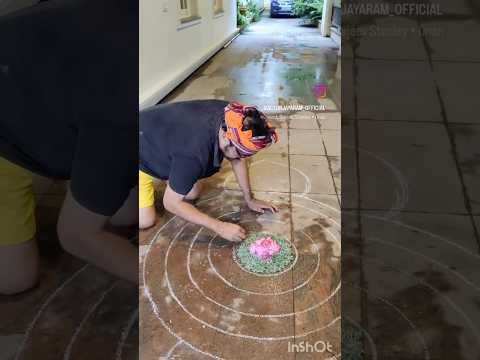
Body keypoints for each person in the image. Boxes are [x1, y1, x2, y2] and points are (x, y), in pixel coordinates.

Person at [0, 0, 138, 295]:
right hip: (8, 124)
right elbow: (77, 236)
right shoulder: (120, 108)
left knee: (125, 214)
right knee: (15, 279)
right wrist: (161, 280)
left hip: (56, 97)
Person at [139, 100, 279, 242]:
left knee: (192, 193)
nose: (243, 157)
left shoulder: (236, 116)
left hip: (162, 134)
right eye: (241, 152)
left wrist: (250, 199)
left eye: (247, 153)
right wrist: (220, 227)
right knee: (146, 221)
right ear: (225, 136)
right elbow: (170, 204)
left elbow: (237, 158)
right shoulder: (194, 154)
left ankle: (171, 168)